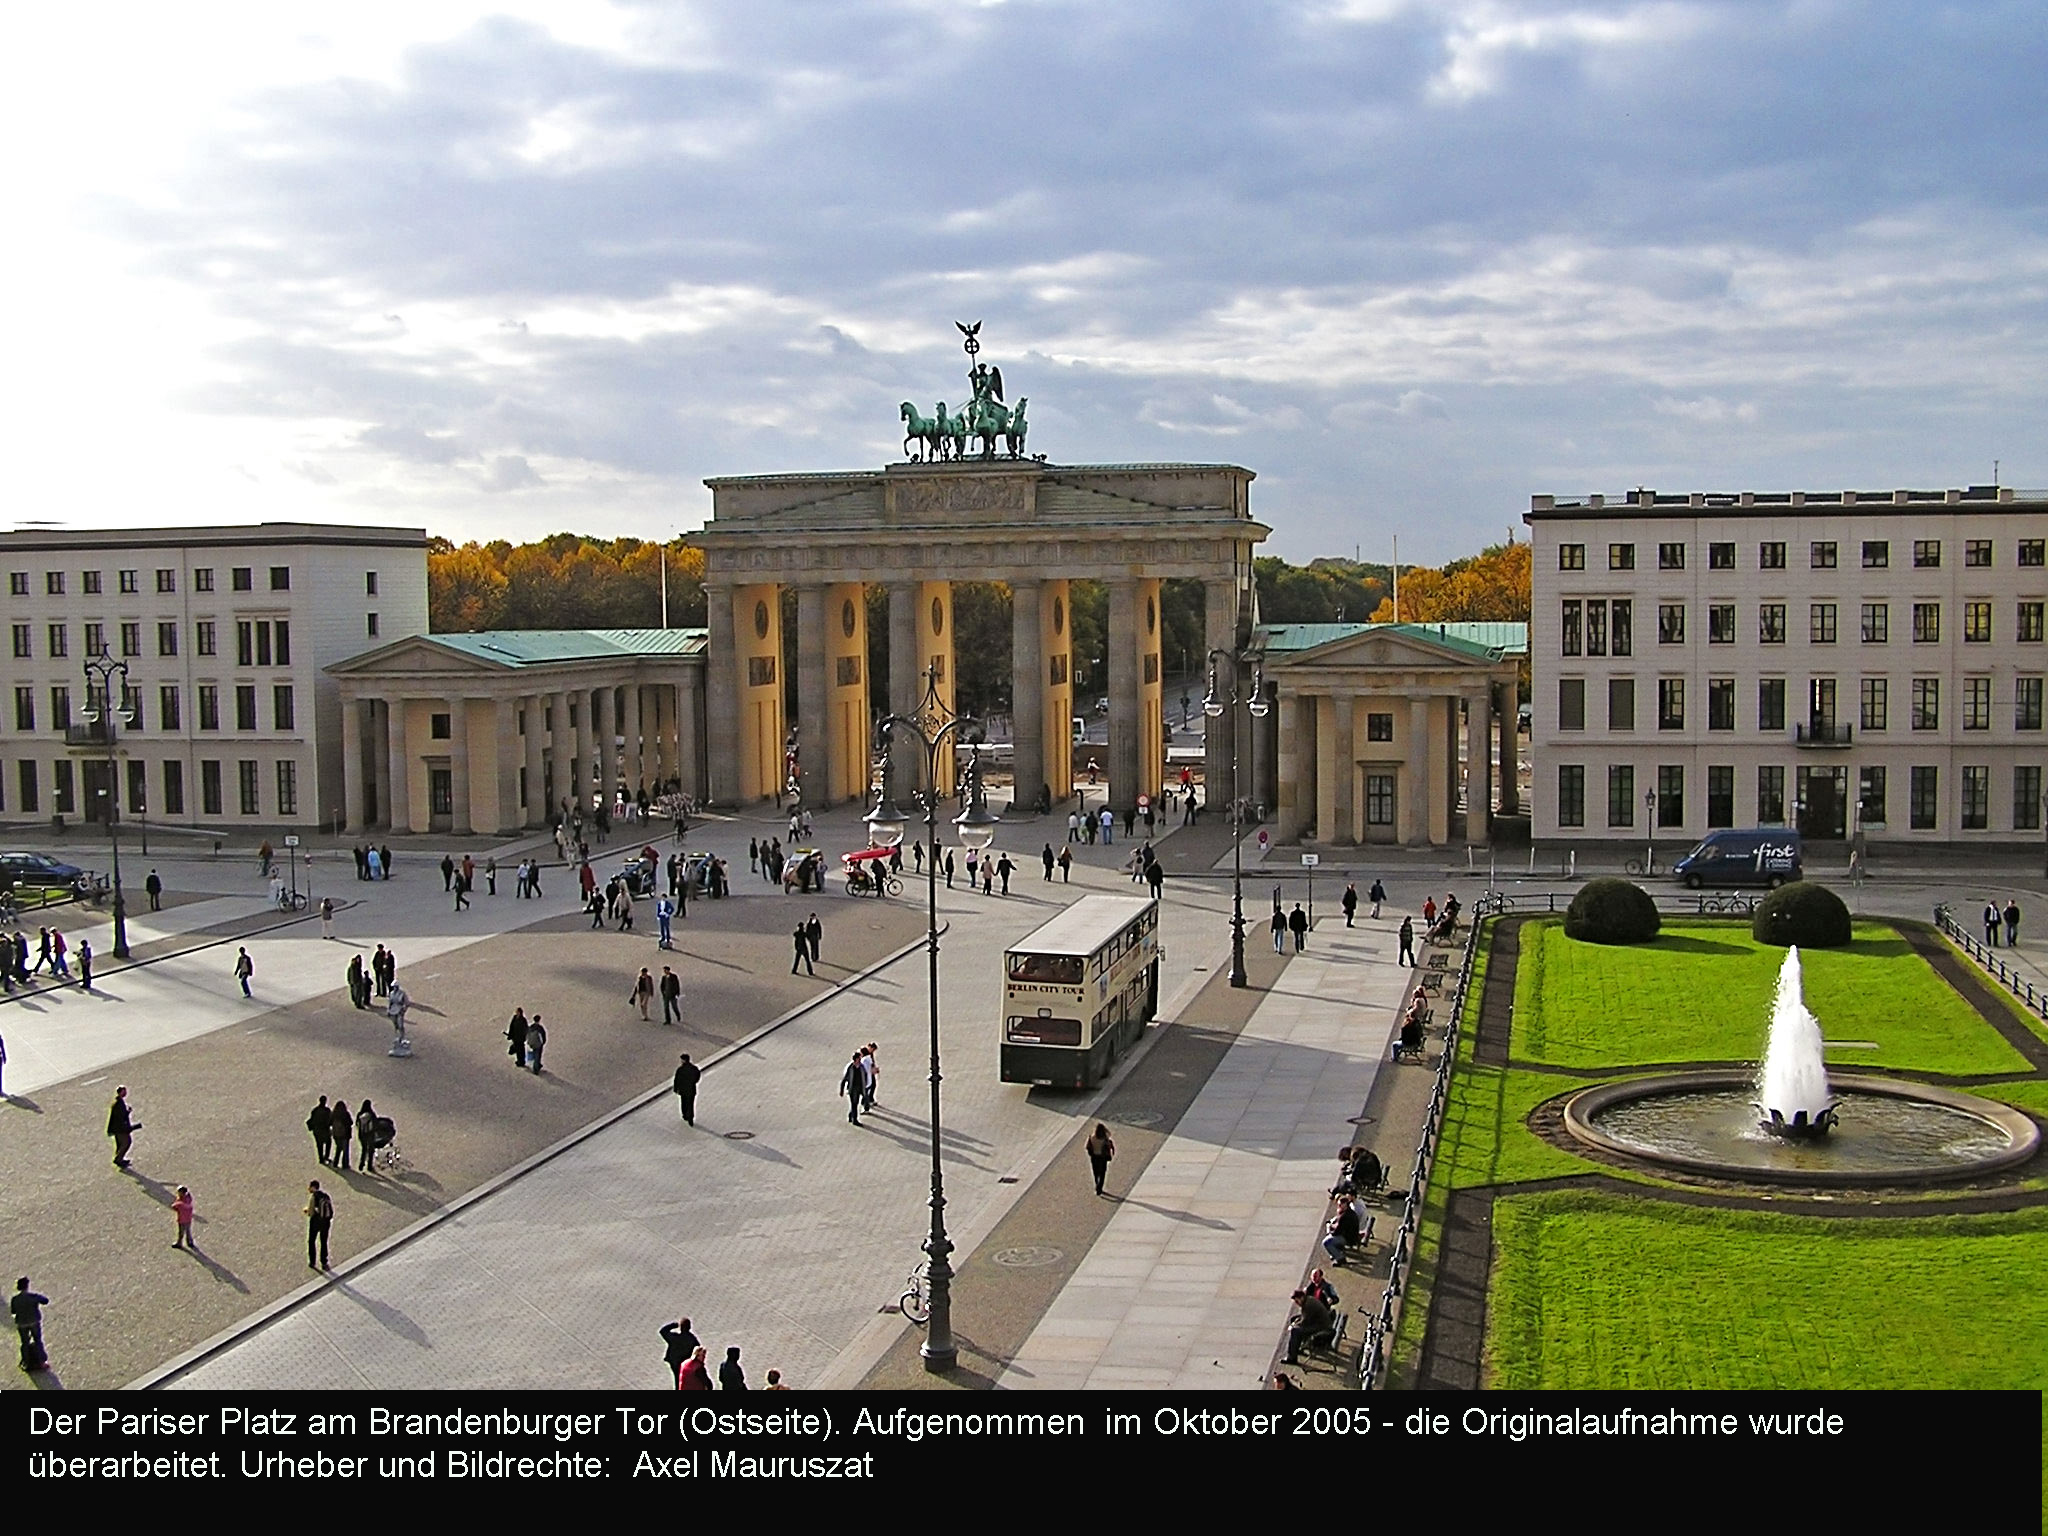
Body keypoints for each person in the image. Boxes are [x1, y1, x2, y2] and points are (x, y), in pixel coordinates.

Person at [1284, 1287, 1335, 1364]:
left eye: (1297, 1301)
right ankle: (1297, 1347)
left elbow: (1305, 1321)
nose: (1296, 1303)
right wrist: (1295, 1322)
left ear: (1301, 1298)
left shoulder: (1308, 1305)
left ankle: (1292, 1357)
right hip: (1320, 1324)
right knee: (1294, 1320)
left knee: (1295, 1331)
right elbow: (1303, 1316)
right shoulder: (1309, 1300)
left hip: (1321, 1328)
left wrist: (1293, 1326)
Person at [13, 1278, 51, 1371]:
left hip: (21, 1323)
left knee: (24, 1343)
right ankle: (42, 1361)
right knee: (38, 1341)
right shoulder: (32, 1297)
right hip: (34, 1322)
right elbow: (45, 1301)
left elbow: (13, 1311)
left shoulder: (15, 1299)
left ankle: (25, 1362)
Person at [660, 1318, 700, 1386]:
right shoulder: (692, 1339)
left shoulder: (674, 1337)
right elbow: (698, 1350)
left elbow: (663, 1331)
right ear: (689, 1327)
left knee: (677, 1379)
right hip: (686, 1364)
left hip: (674, 1362)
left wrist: (674, 1325)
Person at [305, 1181, 333, 1269]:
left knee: (311, 1241)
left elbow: (310, 1212)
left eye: (310, 1187)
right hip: (325, 1222)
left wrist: (306, 1211)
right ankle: (324, 1262)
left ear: (313, 1187)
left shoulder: (314, 1197)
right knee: (324, 1242)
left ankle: (312, 1261)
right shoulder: (326, 1196)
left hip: (315, 1221)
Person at [107, 1086, 136, 1168]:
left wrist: (127, 1112)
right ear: (120, 1092)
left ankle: (120, 1158)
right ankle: (118, 1159)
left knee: (122, 1143)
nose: (126, 1093)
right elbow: (119, 1118)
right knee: (126, 1142)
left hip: (119, 1128)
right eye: (124, 1091)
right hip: (120, 1129)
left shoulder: (119, 1102)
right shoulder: (118, 1104)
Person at [1085, 1122, 1116, 1196]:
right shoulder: (1105, 1138)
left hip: (1094, 1157)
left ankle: (1097, 1184)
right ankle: (1099, 1187)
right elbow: (1109, 1135)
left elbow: (1087, 1147)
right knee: (1102, 1173)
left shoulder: (1092, 1137)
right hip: (1103, 1157)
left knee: (1095, 1172)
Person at [840, 1051, 867, 1124]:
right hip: (852, 1089)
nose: (860, 1059)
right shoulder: (850, 1068)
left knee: (855, 1103)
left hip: (860, 1088)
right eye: (859, 1058)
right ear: (856, 1059)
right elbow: (845, 1079)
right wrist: (841, 1090)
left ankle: (850, 1116)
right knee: (854, 1103)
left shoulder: (861, 1067)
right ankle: (854, 1119)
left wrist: (865, 1085)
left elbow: (865, 1075)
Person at [673, 1054, 700, 1125]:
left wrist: (676, 1089)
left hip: (683, 1090)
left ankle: (685, 1115)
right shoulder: (694, 1068)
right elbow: (697, 1077)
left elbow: (677, 1080)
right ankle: (690, 1117)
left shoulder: (680, 1070)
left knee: (684, 1103)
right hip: (691, 1089)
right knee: (690, 1104)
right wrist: (693, 1082)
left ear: (683, 1060)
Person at [308, 1096, 334, 1165]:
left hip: (317, 1130)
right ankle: (326, 1156)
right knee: (328, 1143)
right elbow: (331, 1120)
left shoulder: (315, 1110)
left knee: (319, 1145)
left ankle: (321, 1158)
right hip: (325, 1130)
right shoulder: (327, 1110)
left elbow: (312, 1119)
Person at [355, 1101, 379, 1174]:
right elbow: (375, 1124)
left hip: (362, 1135)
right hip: (370, 1135)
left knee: (364, 1150)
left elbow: (357, 1124)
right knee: (371, 1150)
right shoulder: (372, 1114)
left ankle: (361, 1164)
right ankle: (369, 1166)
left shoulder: (360, 1114)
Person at [331, 1101, 353, 1172]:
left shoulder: (334, 1114)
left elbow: (329, 1122)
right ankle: (345, 1164)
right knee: (345, 1150)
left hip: (336, 1135)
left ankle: (335, 1162)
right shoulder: (346, 1114)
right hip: (345, 1135)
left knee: (338, 1149)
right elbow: (351, 1122)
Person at [172, 1186, 195, 1250]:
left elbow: (174, 1206)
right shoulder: (188, 1199)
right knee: (188, 1231)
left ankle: (179, 1243)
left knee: (181, 1232)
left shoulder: (180, 1203)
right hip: (188, 1218)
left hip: (182, 1219)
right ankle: (190, 1242)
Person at [861, 1044, 878, 1111]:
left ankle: (867, 1103)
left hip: (868, 1076)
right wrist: (874, 1070)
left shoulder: (867, 1057)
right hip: (868, 1076)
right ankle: (866, 1103)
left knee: (870, 1088)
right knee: (867, 1090)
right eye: (873, 1049)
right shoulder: (866, 1058)